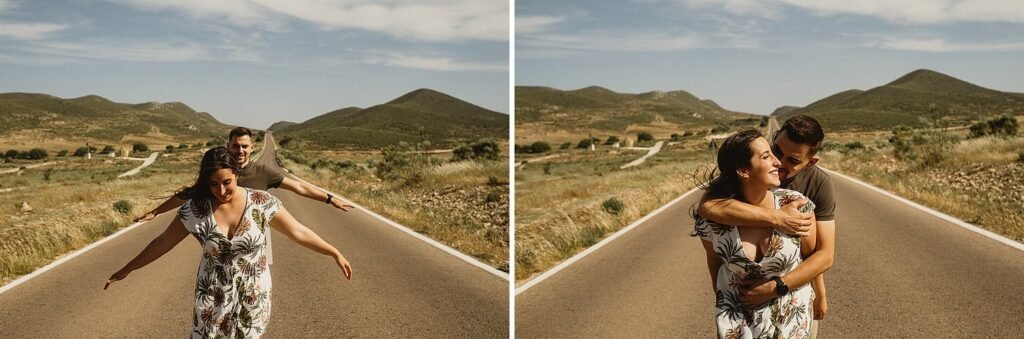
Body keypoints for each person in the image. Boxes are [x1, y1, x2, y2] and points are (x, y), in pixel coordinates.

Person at [105, 146, 353, 338]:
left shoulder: (261, 202)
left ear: (236, 174)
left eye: (227, 183)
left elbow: (298, 231)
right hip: (212, 293)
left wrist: (334, 252)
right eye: (213, 184)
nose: (221, 191)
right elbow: (162, 243)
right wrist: (128, 268)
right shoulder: (195, 210)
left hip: (253, 290)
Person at [698, 115, 836, 334]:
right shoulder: (736, 180)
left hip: (792, 311)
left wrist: (817, 293)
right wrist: (777, 217)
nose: (779, 162)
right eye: (775, 151)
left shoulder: (816, 187)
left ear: (810, 163)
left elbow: (820, 255)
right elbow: (707, 207)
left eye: (792, 160)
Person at [135, 127, 355, 264]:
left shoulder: (263, 172)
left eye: (244, 146)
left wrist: (329, 199)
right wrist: (156, 212)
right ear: (228, 146)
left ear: (251, 147)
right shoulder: (218, 171)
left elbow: (300, 188)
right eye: (235, 146)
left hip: (251, 239)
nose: (240, 150)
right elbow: (187, 194)